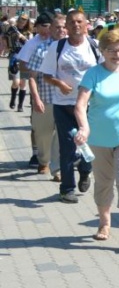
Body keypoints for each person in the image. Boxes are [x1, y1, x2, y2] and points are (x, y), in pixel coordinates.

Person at [73, 29, 119, 249]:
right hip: (99, 138)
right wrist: (84, 128)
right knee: (104, 182)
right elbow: (80, 105)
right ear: (102, 51)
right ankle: (104, 223)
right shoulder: (93, 73)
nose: (117, 55)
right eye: (112, 51)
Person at [40, 10, 101, 202]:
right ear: (66, 25)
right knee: (67, 146)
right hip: (64, 105)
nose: (76, 25)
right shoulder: (57, 47)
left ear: (86, 25)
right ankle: (67, 189)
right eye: (72, 22)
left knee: (88, 143)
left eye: (79, 22)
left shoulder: (94, 46)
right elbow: (46, 75)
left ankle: (85, 169)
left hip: (89, 105)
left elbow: (104, 72)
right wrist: (59, 83)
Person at [23, 13, 58, 175]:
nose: (61, 30)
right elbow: (30, 74)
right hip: (45, 97)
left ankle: (58, 167)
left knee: (62, 135)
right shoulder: (40, 48)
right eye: (57, 27)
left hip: (68, 100)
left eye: (63, 27)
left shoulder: (75, 48)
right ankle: (43, 160)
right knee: (43, 134)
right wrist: (36, 98)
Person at [6, 13, 33, 111]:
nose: (22, 22)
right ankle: (13, 98)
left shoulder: (29, 32)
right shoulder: (13, 29)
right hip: (14, 57)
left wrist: (22, 37)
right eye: (21, 20)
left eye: (24, 20)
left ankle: (20, 105)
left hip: (25, 58)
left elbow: (31, 44)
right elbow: (5, 38)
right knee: (16, 82)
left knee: (23, 83)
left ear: (27, 22)